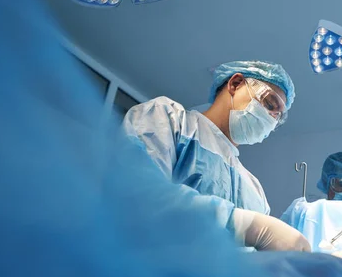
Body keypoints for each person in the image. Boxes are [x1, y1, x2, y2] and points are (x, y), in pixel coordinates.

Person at [122, 61, 310, 252]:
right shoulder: (168, 119)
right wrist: (244, 225)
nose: (270, 118)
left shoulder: (255, 191)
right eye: (269, 103)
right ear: (235, 84)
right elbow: (138, 195)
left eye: (277, 117)